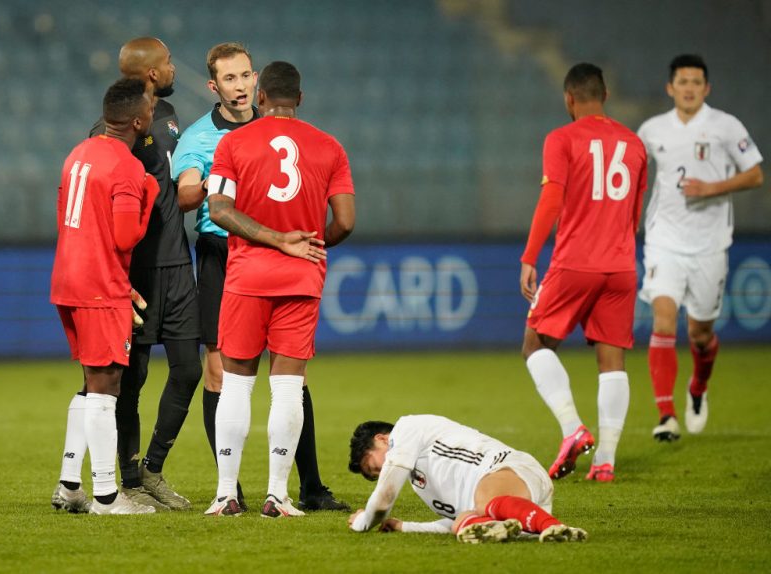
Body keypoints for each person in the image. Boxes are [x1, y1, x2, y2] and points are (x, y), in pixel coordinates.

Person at [172, 43, 348, 511]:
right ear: (215, 86)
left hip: (246, 261)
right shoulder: (206, 138)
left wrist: (270, 238)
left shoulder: (237, 143)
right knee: (280, 382)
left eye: (246, 76)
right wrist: (305, 242)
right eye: (231, 78)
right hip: (244, 260)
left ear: (260, 87)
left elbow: (221, 207)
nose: (241, 85)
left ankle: (241, 491)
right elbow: (191, 194)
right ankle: (272, 492)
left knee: (238, 380)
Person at [519, 63, 647, 482]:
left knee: (534, 343)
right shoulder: (635, 144)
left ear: (569, 99)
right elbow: (636, 214)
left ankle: (573, 429)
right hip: (622, 265)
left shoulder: (562, 138)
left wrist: (530, 256)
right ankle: (605, 460)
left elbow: (551, 202)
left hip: (576, 262)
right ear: (605, 96)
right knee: (612, 361)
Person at [92, 37, 202, 511]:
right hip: (136, 274)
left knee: (188, 370)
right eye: (169, 62)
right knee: (130, 382)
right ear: (153, 74)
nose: (175, 67)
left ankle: (154, 469)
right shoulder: (113, 131)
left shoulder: (170, 116)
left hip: (178, 264)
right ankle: (130, 478)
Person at [637, 54, 764, 442]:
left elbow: (756, 174)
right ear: (670, 87)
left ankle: (697, 388)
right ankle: (666, 415)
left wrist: (712, 188)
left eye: (696, 82)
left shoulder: (725, 126)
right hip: (663, 240)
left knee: (700, 335)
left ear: (706, 88)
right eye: (682, 81)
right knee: (662, 319)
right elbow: (636, 176)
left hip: (709, 245)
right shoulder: (652, 130)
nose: (689, 88)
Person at [50, 78, 159, 515]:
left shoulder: (79, 152)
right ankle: (108, 498)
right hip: (98, 287)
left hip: (69, 278)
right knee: (106, 385)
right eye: (150, 108)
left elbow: (70, 218)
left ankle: (70, 485)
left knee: (91, 382)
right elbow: (125, 234)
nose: (153, 113)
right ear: (138, 120)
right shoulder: (127, 168)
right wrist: (149, 194)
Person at [346, 415, 587, 543]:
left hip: (512, 469)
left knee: (482, 501)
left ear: (382, 439)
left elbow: (382, 502)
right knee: (462, 521)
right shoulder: (421, 482)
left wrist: (362, 521)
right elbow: (451, 522)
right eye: (374, 475)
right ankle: (524, 527)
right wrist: (403, 526)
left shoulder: (406, 428)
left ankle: (556, 528)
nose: (380, 474)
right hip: (519, 509)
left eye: (373, 466)